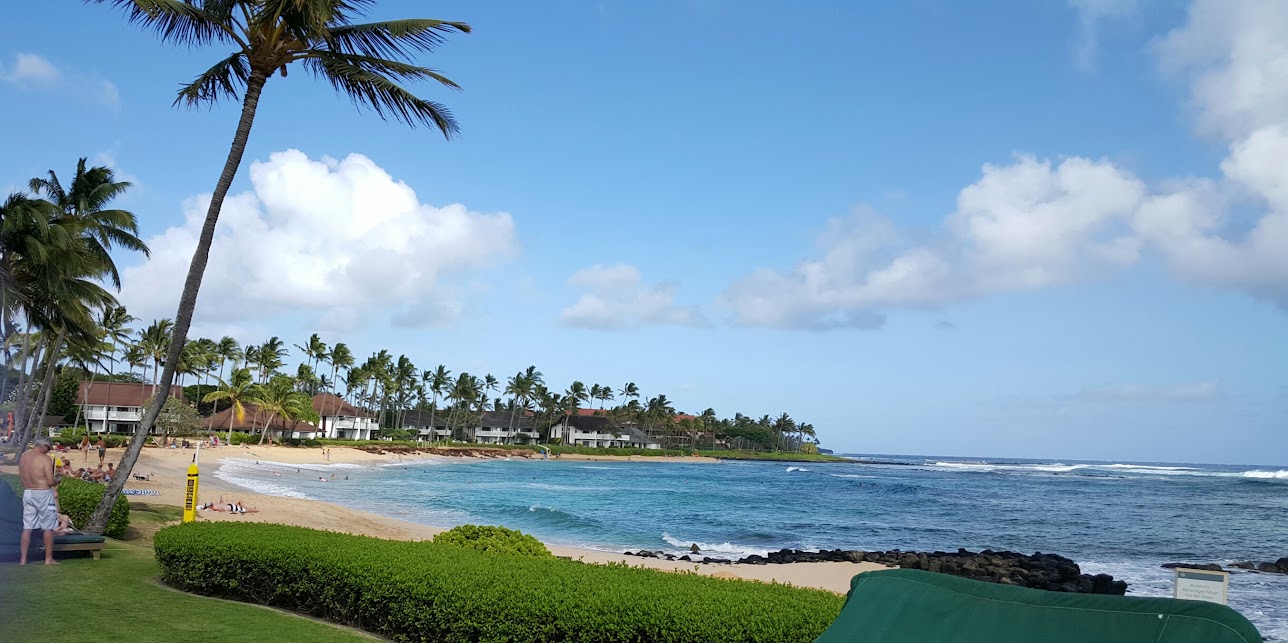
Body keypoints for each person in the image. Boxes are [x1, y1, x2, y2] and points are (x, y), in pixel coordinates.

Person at [18, 438, 60, 565]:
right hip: (42, 493)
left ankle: (23, 559)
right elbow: (50, 481)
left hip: (28, 492)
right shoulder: (45, 459)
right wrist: (59, 480)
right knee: (48, 527)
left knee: (27, 527)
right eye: (48, 449)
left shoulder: (24, 456)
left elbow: (21, 478)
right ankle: (48, 559)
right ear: (45, 447)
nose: (48, 452)